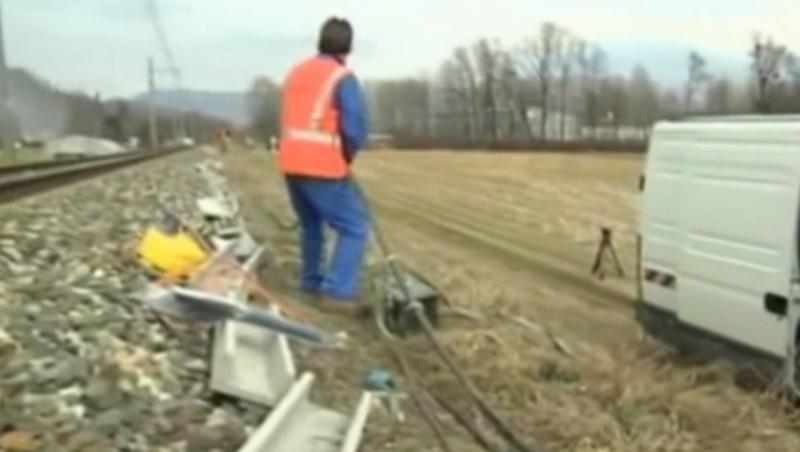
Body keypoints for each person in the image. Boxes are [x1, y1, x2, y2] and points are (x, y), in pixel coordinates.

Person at [277, 17, 370, 315]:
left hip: (291, 164)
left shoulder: (296, 73)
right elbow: (355, 127)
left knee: (311, 226)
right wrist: (346, 155)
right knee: (355, 227)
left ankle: (311, 283)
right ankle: (338, 291)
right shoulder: (342, 77)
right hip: (322, 167)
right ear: (348, 47)